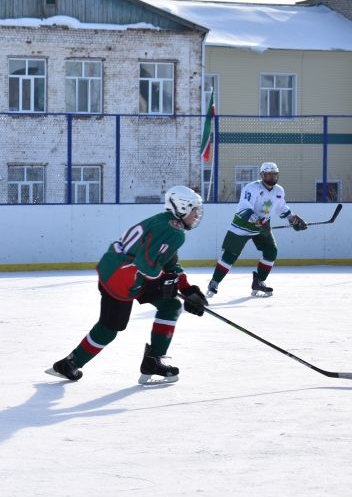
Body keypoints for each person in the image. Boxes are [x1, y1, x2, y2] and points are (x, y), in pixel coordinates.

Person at [48, 186, 209, 385]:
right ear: (182, 207)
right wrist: (166, 282)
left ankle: (153, 360)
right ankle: (69, 364)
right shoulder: (173, 231)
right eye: (194, 210)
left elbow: (167, 262)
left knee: (171, 305)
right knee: (110, 328)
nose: (197, 215)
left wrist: (186, 288)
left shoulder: (166, 222)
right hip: (120, 279)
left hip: (126, 274)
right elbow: (146, 264)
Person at [206, 161, 307, 298]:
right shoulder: (252, 188)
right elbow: (244, 208)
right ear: (262, 175)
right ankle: (214, 282)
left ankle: (259, 281)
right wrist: (256, 220)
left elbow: (281, 208)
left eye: (274, 175)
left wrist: (293, 219)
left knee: (271, 251)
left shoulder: (279, 190)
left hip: (263, 226)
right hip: (242, 225)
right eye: (268, 175)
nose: (271, 178)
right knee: (231, 255)